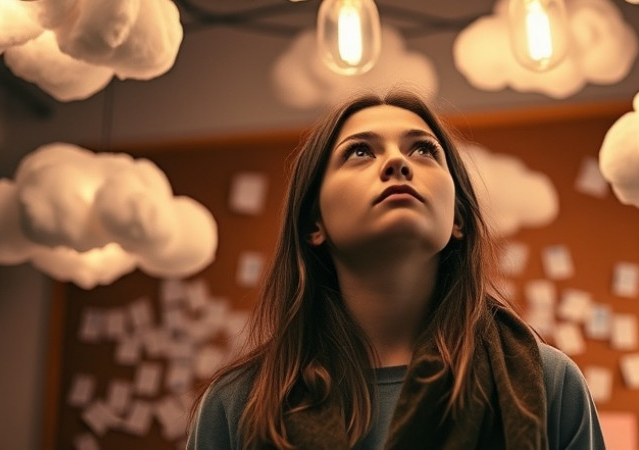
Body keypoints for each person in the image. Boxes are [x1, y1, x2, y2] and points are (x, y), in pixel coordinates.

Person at [186, 90, 606, 450]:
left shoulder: (549, 384)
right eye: (360, 151)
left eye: (423, 150)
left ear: (457, 221)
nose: (397, 163)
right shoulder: (237, 405)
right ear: (314, 223)